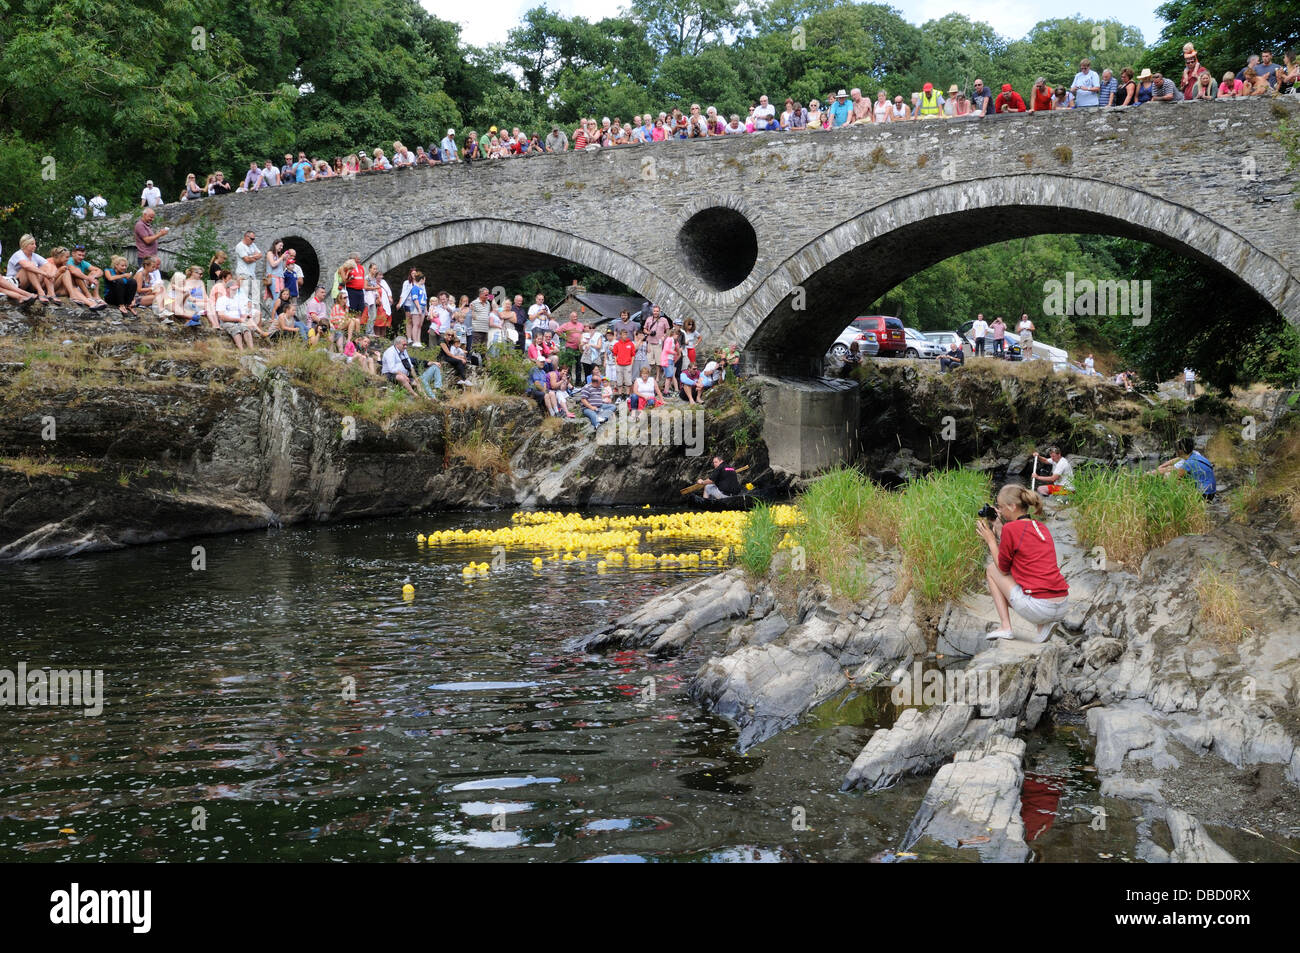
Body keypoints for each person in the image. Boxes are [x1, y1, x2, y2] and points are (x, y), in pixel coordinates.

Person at [976, 483, 1070, 642]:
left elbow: (1003, 569)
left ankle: (1006, 627)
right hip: (1062, 604)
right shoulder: (1040, 527)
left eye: (1001, 506)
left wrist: (991, 541)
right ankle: (1042, 627)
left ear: (1012, 506)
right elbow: (1015, 553)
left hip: (1041, 607)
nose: (1000, 511)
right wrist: (999, 527)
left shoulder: (1011, 529)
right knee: (1025, 574)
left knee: (992, 570)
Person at [611, 328, 636, 398]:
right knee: (619, 381)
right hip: (619, 365)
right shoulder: (617, 344)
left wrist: (631, 363)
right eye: (623, 334)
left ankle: (628, 395)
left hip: (628, 365)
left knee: (628, 381)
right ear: (620, 335)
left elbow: (633, 355)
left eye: (626, 334)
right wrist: (616, 363)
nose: (625, 336)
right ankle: (620, 395)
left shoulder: (631, 344)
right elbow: (615, 354)